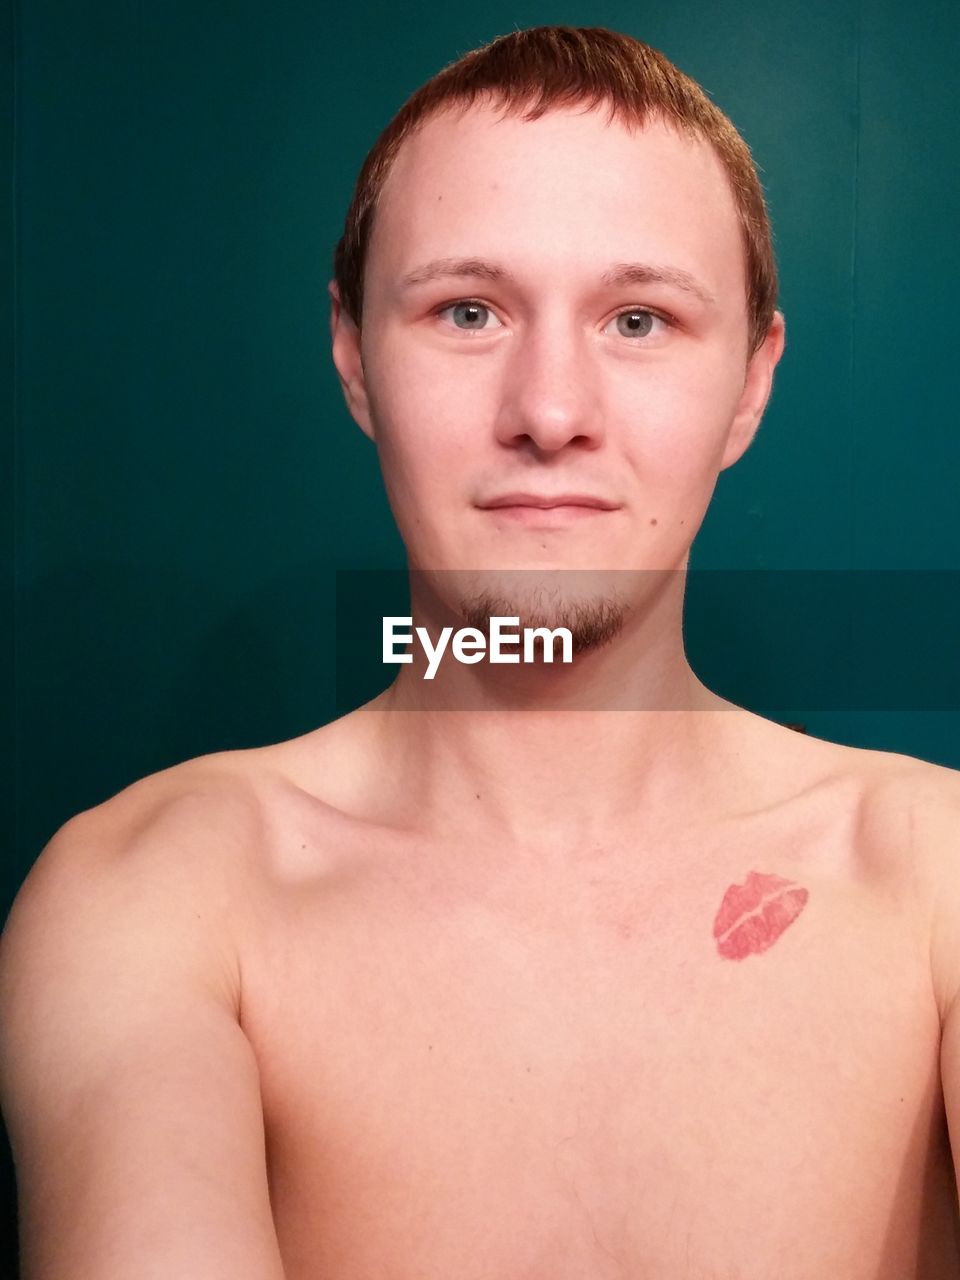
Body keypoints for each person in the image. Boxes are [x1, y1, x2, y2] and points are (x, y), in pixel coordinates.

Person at [2, 23, 959, 1279]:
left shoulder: (934, 877)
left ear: (750, 384)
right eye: (467, 310)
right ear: (354, 359)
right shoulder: (158, 897)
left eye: (639, 318)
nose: (551, 411)